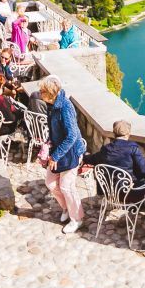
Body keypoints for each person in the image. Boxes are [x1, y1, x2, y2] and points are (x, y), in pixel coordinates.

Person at [39, 76, 87, 234]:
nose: (39, 94)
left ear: (50, 93)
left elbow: (72, 136)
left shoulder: (65, 107)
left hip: (70, 152)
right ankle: (66, 207)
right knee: (51, 183)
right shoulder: (51, 105)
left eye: (42, 91)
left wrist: (55, 156)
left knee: (67, 187)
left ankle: (77, 219)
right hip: (58, 151)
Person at [83, 120, 145, 209]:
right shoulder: (133, 149)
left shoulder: (106, 150)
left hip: (110, 192)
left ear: (114, 133)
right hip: (131, 193)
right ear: (128, 133)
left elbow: (92, 159)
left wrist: (84, 156)